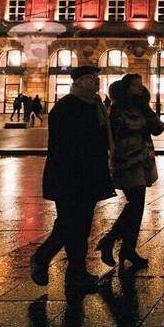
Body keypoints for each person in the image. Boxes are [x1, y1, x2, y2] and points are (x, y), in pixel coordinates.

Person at [30, 65, 116, 296]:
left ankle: (76, 272)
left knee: (80, 225)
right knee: (70, 223)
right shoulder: (66, 106)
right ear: (79, 81)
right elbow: (64, 144)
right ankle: (43, 257)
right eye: (91, 78)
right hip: (69, 175)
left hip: (89, 174)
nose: (96, 81)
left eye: (97, 77)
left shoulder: (95, 104)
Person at [97, 74, 164, 271]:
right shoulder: (118, 110)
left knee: (137, 206)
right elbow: (114, 136)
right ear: (127, 89)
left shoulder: (141, 107)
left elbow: (158, 129)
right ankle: (111, 241)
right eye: (136, 85)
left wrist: (146, 110)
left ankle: (127, 248)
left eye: (140, 84)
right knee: (135, 204)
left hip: (142, 162)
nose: (140, 88)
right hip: (127, 162)